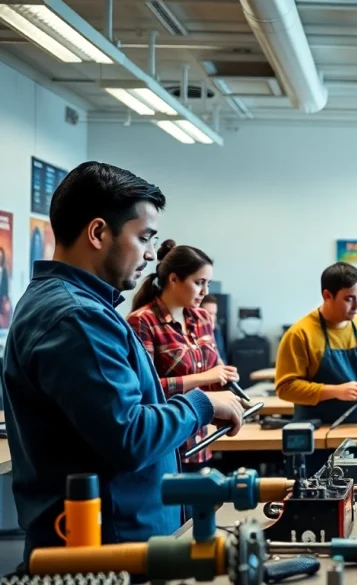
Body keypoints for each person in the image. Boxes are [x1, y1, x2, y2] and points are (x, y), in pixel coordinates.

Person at [2, 162, 246, 562]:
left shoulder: (79, 307)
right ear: (98, 232)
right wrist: (201, 404)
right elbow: (129, 435)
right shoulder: (77, 317)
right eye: (144, 237)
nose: (151, 254)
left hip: (120, 536)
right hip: (109, 550)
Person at [127, 240, 239, 471]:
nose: (205, 292)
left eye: (208, 284)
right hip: (167, 446)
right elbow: (145, 390)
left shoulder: (202, 318)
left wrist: (224, 380)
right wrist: (206, 377)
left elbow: (213, 372)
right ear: (174, 279)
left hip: (201, 442)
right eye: (199, 283)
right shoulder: (142, 321)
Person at [276, 262, 357, 430]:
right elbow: (285, 388)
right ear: (327, 295)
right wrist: (334, 391)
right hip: (316, 430)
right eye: (349, 299)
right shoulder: (300, 334)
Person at [200, 294, 229, 363]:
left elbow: (222, 357)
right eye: (208, 313)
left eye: (214, 314)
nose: (212, 317)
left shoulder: (216, 333)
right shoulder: (192, 335)